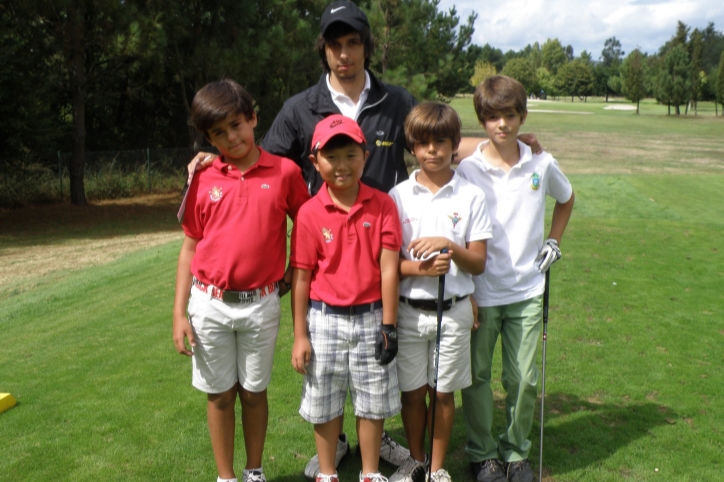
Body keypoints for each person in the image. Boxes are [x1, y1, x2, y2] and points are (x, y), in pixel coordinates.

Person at [172, 79, 310, 482]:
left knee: (253, 393)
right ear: (208, 138)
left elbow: (305, 220)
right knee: (219, 395)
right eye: (218, 133)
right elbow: (189, 248)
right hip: (208, 304)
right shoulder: (203, 175)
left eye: (237, 125)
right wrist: (178, 313)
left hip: (262, 304)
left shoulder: (285, 172)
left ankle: (254, 471)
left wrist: (292, 270)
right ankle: (225, 476)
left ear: (253, 118)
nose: (231, 138)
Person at [455, 76, 575, 482]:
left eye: (510, 116)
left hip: (527, 288)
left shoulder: (541, 163)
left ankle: (516, 452)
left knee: (522, 378)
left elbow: (566, 196)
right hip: (481, 290)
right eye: (492, 117)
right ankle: (482, 452)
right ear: (482, 121)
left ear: (522, 116)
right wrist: (464, 290)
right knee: (477, 378)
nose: (502, 125)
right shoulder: (467, 169)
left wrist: (554, 240)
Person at [290, 114, 402, 482]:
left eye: (350, 155)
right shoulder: (308, 213)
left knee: (372, 399)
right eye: (331, 156)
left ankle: (369, 473)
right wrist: (300, 335)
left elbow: (389, 268)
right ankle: (327, 473)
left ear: (365, 156)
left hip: (371, 316)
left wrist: (389, 324)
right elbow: (302, 278)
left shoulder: (383, 205)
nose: (342, 166)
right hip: (324, 318)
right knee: (324, 398)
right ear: (315, 161)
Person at [387, 102, 492, 482]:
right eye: (423, 143)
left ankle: (436, 467)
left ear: (455, 145)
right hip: (409, 309)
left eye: (441, 142)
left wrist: (449, 244)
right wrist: (420, 267)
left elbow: (478, 262)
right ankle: (416, 461)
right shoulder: (397, 196)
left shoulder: (471, 196)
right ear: (412, 148)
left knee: (443, 394)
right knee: (413, 394)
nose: (432, 150)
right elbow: (388, 266)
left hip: (454, 309)